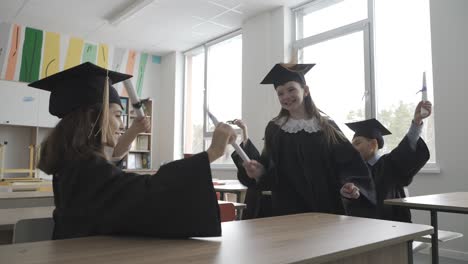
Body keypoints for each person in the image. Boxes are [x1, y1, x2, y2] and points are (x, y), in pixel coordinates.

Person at [29, 62, 236, 239]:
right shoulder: (86, 169)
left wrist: (132, 133)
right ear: (94, 117)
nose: (121, 124)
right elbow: (148, 196)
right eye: (117, 115)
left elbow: (112, 182)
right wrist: (213, 152)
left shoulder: (74, 163)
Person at [231, 63, 376, 218]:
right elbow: (270, 169)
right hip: (287, 209)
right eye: (280, 93)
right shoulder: (275, 129)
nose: (286, 96)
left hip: (326, 207)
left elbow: (349, 163)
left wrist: (348, 186)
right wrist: (260, 171)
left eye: (291, 89)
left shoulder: (326, 127)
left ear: (305, 91)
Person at [345, 101, 432, 222]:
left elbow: (406, 150)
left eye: (357, 143)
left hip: (392, 227)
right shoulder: (354, 171)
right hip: (360, 229)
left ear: (373, 144)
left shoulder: (390, 164)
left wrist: (416, 122)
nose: (353, 148)